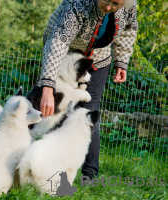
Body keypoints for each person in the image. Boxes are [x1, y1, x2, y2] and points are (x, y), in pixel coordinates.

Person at [39, 0, 138, 179]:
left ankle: (89, 174)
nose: (108, 7)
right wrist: (48, 87)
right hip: (64, 58)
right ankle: (50, 168)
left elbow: (129, 30)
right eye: (105, 0)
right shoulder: (78, 3)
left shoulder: (130, 4)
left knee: (88, 112)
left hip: (98, 59)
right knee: (58, 111)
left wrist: (121, 62)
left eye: (115, 4)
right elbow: (58, 42)